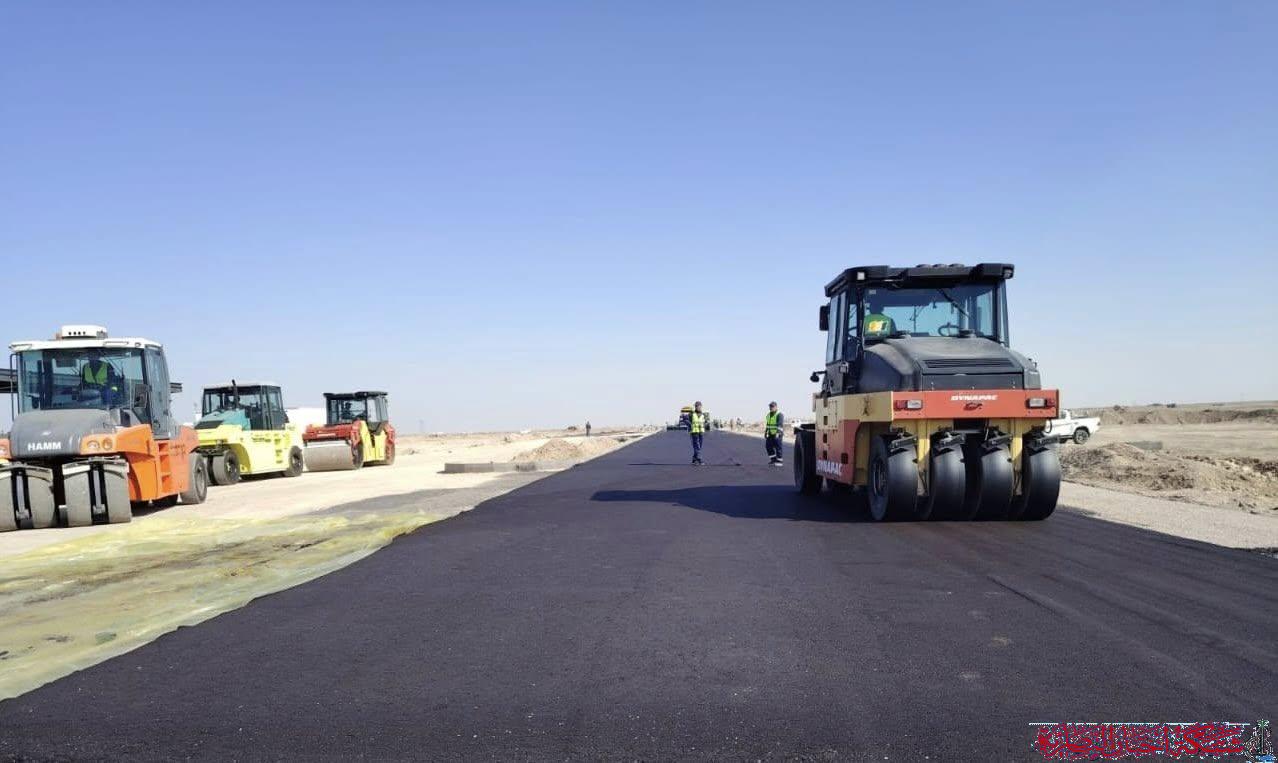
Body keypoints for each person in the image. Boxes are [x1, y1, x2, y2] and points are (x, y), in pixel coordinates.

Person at [764, 401, 785, 466]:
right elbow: (768, 425)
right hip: (770, 434)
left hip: (778, 434)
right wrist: (766, 432)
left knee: (778, 448)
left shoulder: (779, 414)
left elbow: (780, 424)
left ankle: (779, 462)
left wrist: (778, 433)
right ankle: (773, 460)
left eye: (772, 406)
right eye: (770, 406)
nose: (771, 408)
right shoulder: (768, 415)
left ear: (776, 407)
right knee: (768, 446)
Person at [688, 401, 707, 465]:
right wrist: (690, 426)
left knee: (699, 446)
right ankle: (699, 459)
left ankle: (694, 459)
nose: (698, 407)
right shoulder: (692, 414)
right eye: (697, 406)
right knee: (697, 446)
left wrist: (704, 426)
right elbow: (686, 420)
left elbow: (704, 422)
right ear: (695, 407)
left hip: (701, 432)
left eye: (699, 406)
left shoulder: (703, 415)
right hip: (694, 432)